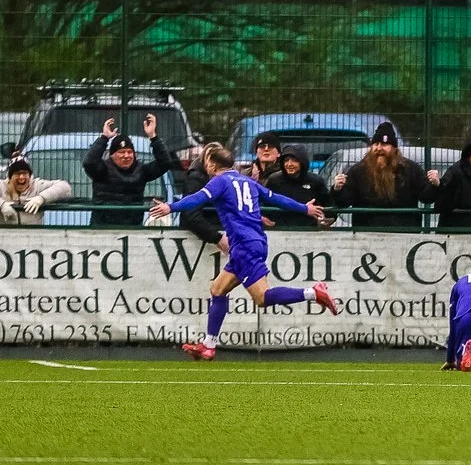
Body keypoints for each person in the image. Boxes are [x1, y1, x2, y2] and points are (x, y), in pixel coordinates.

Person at [150, 169, 338, 359]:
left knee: (262, 297)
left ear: (212, 165)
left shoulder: (220, 181)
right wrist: (304, 208)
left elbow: (198, 198)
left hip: (243, 246)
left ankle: (313, 293)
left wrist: (170, 207)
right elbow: (276, 198)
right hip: (255, 242)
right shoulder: (248, 182)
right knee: (217, 289)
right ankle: (208, 345)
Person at [327, 123, 436, 230]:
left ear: (394, 148)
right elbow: (344, 202)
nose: (379, 148)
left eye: (384, 144)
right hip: (367, 234)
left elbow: (426, 197)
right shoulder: (358, 170)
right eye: (376, 144)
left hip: (404, 233)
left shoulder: (411, 169)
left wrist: (434, 184)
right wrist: (338, 189)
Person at [82, 115, 170, 227]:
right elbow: (89, 163)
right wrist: (104, 138)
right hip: (103, 226)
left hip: (133, 227)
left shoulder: (141, 170)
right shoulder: (102, 170)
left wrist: (153, 137)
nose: (126, 156)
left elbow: (165, 163)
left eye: (129, 152)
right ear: (112, 155)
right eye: (121, 152)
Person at [0, 157, 73, 225]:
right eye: (17, 174)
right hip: (5, 238)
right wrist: (1, 205)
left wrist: (41, 198)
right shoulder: (1, 186)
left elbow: (65, 187)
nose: (21, 178)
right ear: (10, 177)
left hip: (34, 239)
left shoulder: (37, 185)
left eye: (25, 173)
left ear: (30, 175)